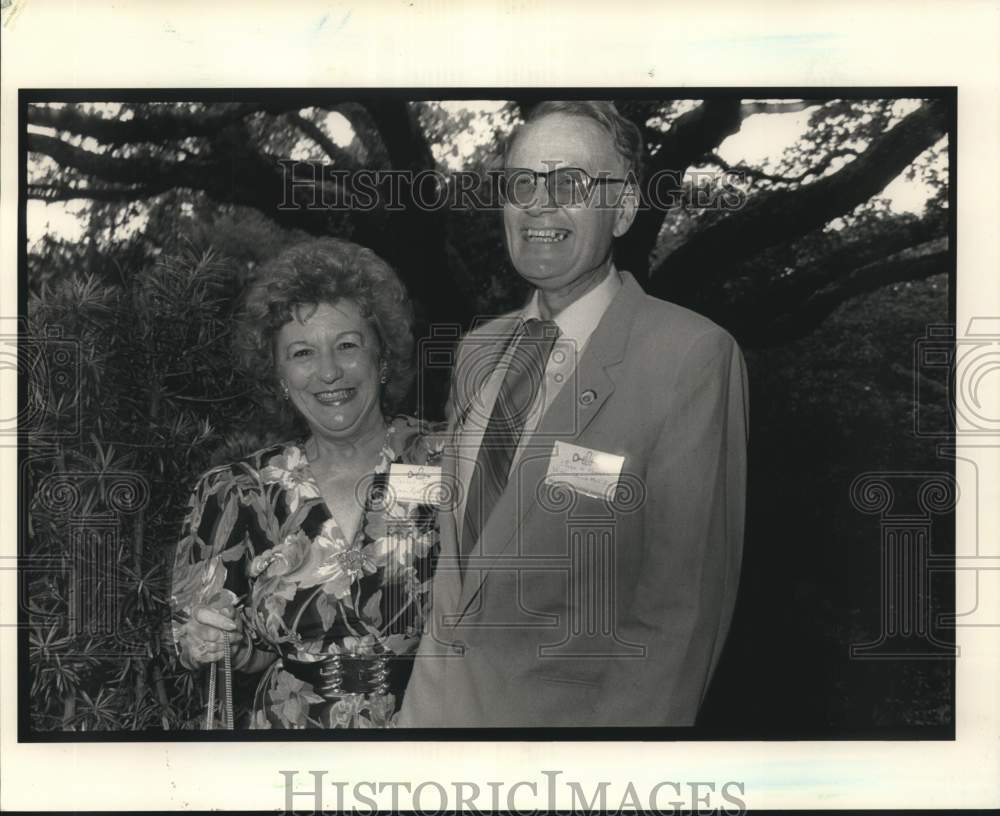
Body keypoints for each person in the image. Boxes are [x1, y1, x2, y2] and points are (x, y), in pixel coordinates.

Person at [398, 101, 749, 727]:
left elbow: (680, 615)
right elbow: (460, 545)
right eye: (521, 183)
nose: (539, 204)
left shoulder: (691, 357)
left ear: (623, 208)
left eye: (571, 184)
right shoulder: (478, 349)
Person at [170, 237, 443, 729]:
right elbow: (203, 645)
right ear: (278, 375)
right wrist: (211, 643)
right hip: (287, 746)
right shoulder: (235, 491)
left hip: (434, 735)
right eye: (302, 352)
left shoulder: (448, 459)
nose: (329, 371)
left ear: (381, 358)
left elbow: (594, 469)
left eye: (347, 345)